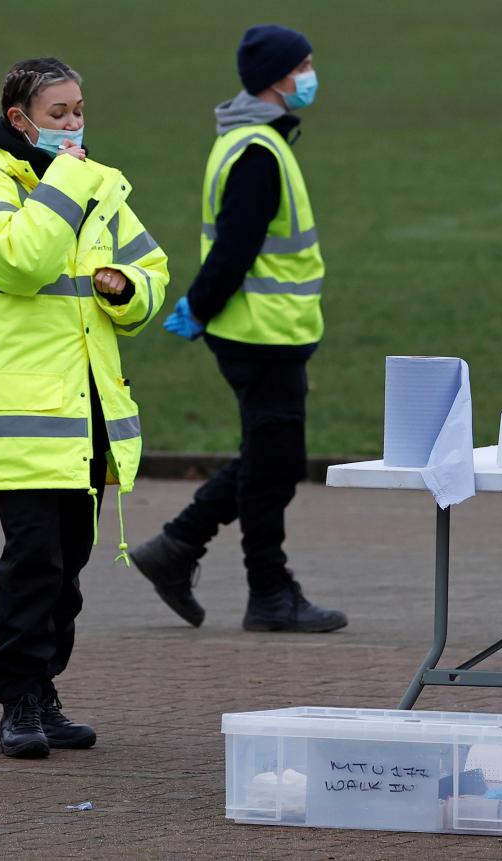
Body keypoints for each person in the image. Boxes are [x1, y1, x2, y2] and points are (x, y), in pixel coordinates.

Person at [0, 57, 168, 757]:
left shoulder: (102, 187)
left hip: (88, 415)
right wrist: (70, 179)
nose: (75, 124)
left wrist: (124, 288)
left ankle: (44, 689)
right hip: (22, 416)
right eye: (58, 114)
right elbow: (22, 261)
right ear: (20, 121)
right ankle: (16, 698)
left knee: (68, 562)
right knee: (33, 560)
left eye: (79, 110)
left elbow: (152, 270)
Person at [130, 25, 346, 634]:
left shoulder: (254, 141)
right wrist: (198, 306)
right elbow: (235, 247)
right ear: (278, 78)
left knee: (270, 456)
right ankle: (268, 592)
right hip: (257, 333)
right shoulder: (257, 151)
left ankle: (176, 549)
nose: (310, 74)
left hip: (267, 330)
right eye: (303, 65)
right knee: (274, 462)